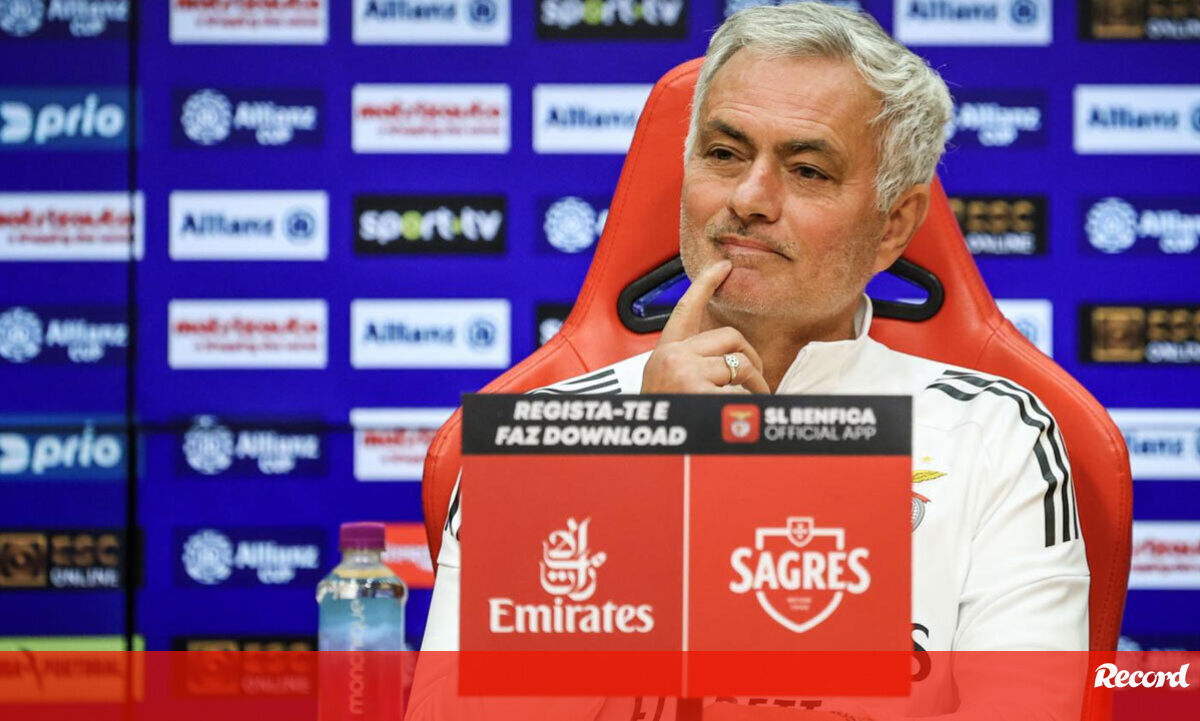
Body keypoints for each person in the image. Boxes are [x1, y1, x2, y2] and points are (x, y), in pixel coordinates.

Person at [408, 3, 1088, 719]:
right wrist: (636, 473)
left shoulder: (996, 436)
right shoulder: (540, 439)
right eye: (724, 154)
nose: (749, 198)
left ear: (893, 225)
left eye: (808, 169)